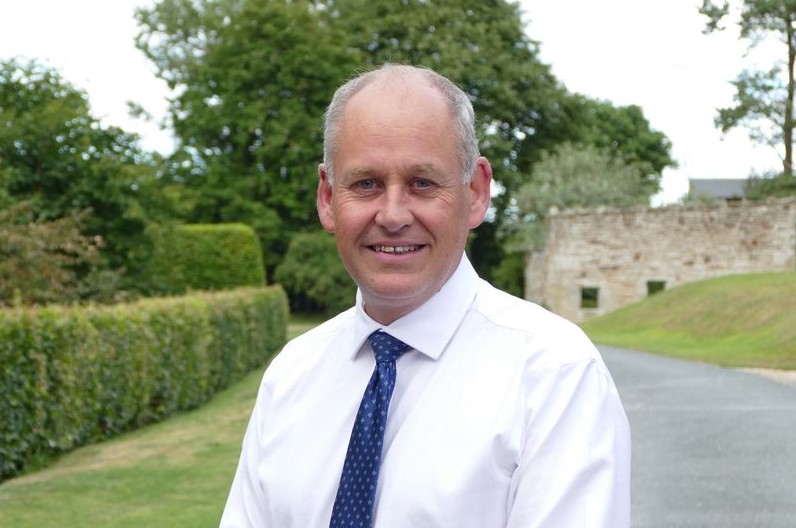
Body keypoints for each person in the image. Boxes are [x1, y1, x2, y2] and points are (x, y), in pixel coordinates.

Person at [220, 64, 631, 528]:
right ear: (327, 197)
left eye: (422, 183)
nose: (393, 215)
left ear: (475, 192)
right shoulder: (292, 374)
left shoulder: (553, 375)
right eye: (366, 184)